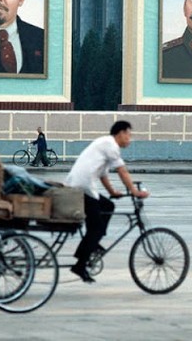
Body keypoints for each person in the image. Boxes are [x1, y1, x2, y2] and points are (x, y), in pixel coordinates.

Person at [64, 120, 149, 283]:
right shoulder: (111, 145)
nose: (129, 139)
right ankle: (80, 264)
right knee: (96, 229)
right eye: (129, 135)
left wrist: (112, 192)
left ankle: (92, 244)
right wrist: (134, 191)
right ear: (121, 133)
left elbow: (103, 174)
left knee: (108, 205)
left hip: (82, 185)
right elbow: (122, 171)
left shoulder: (105, 144)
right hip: (83, 187)